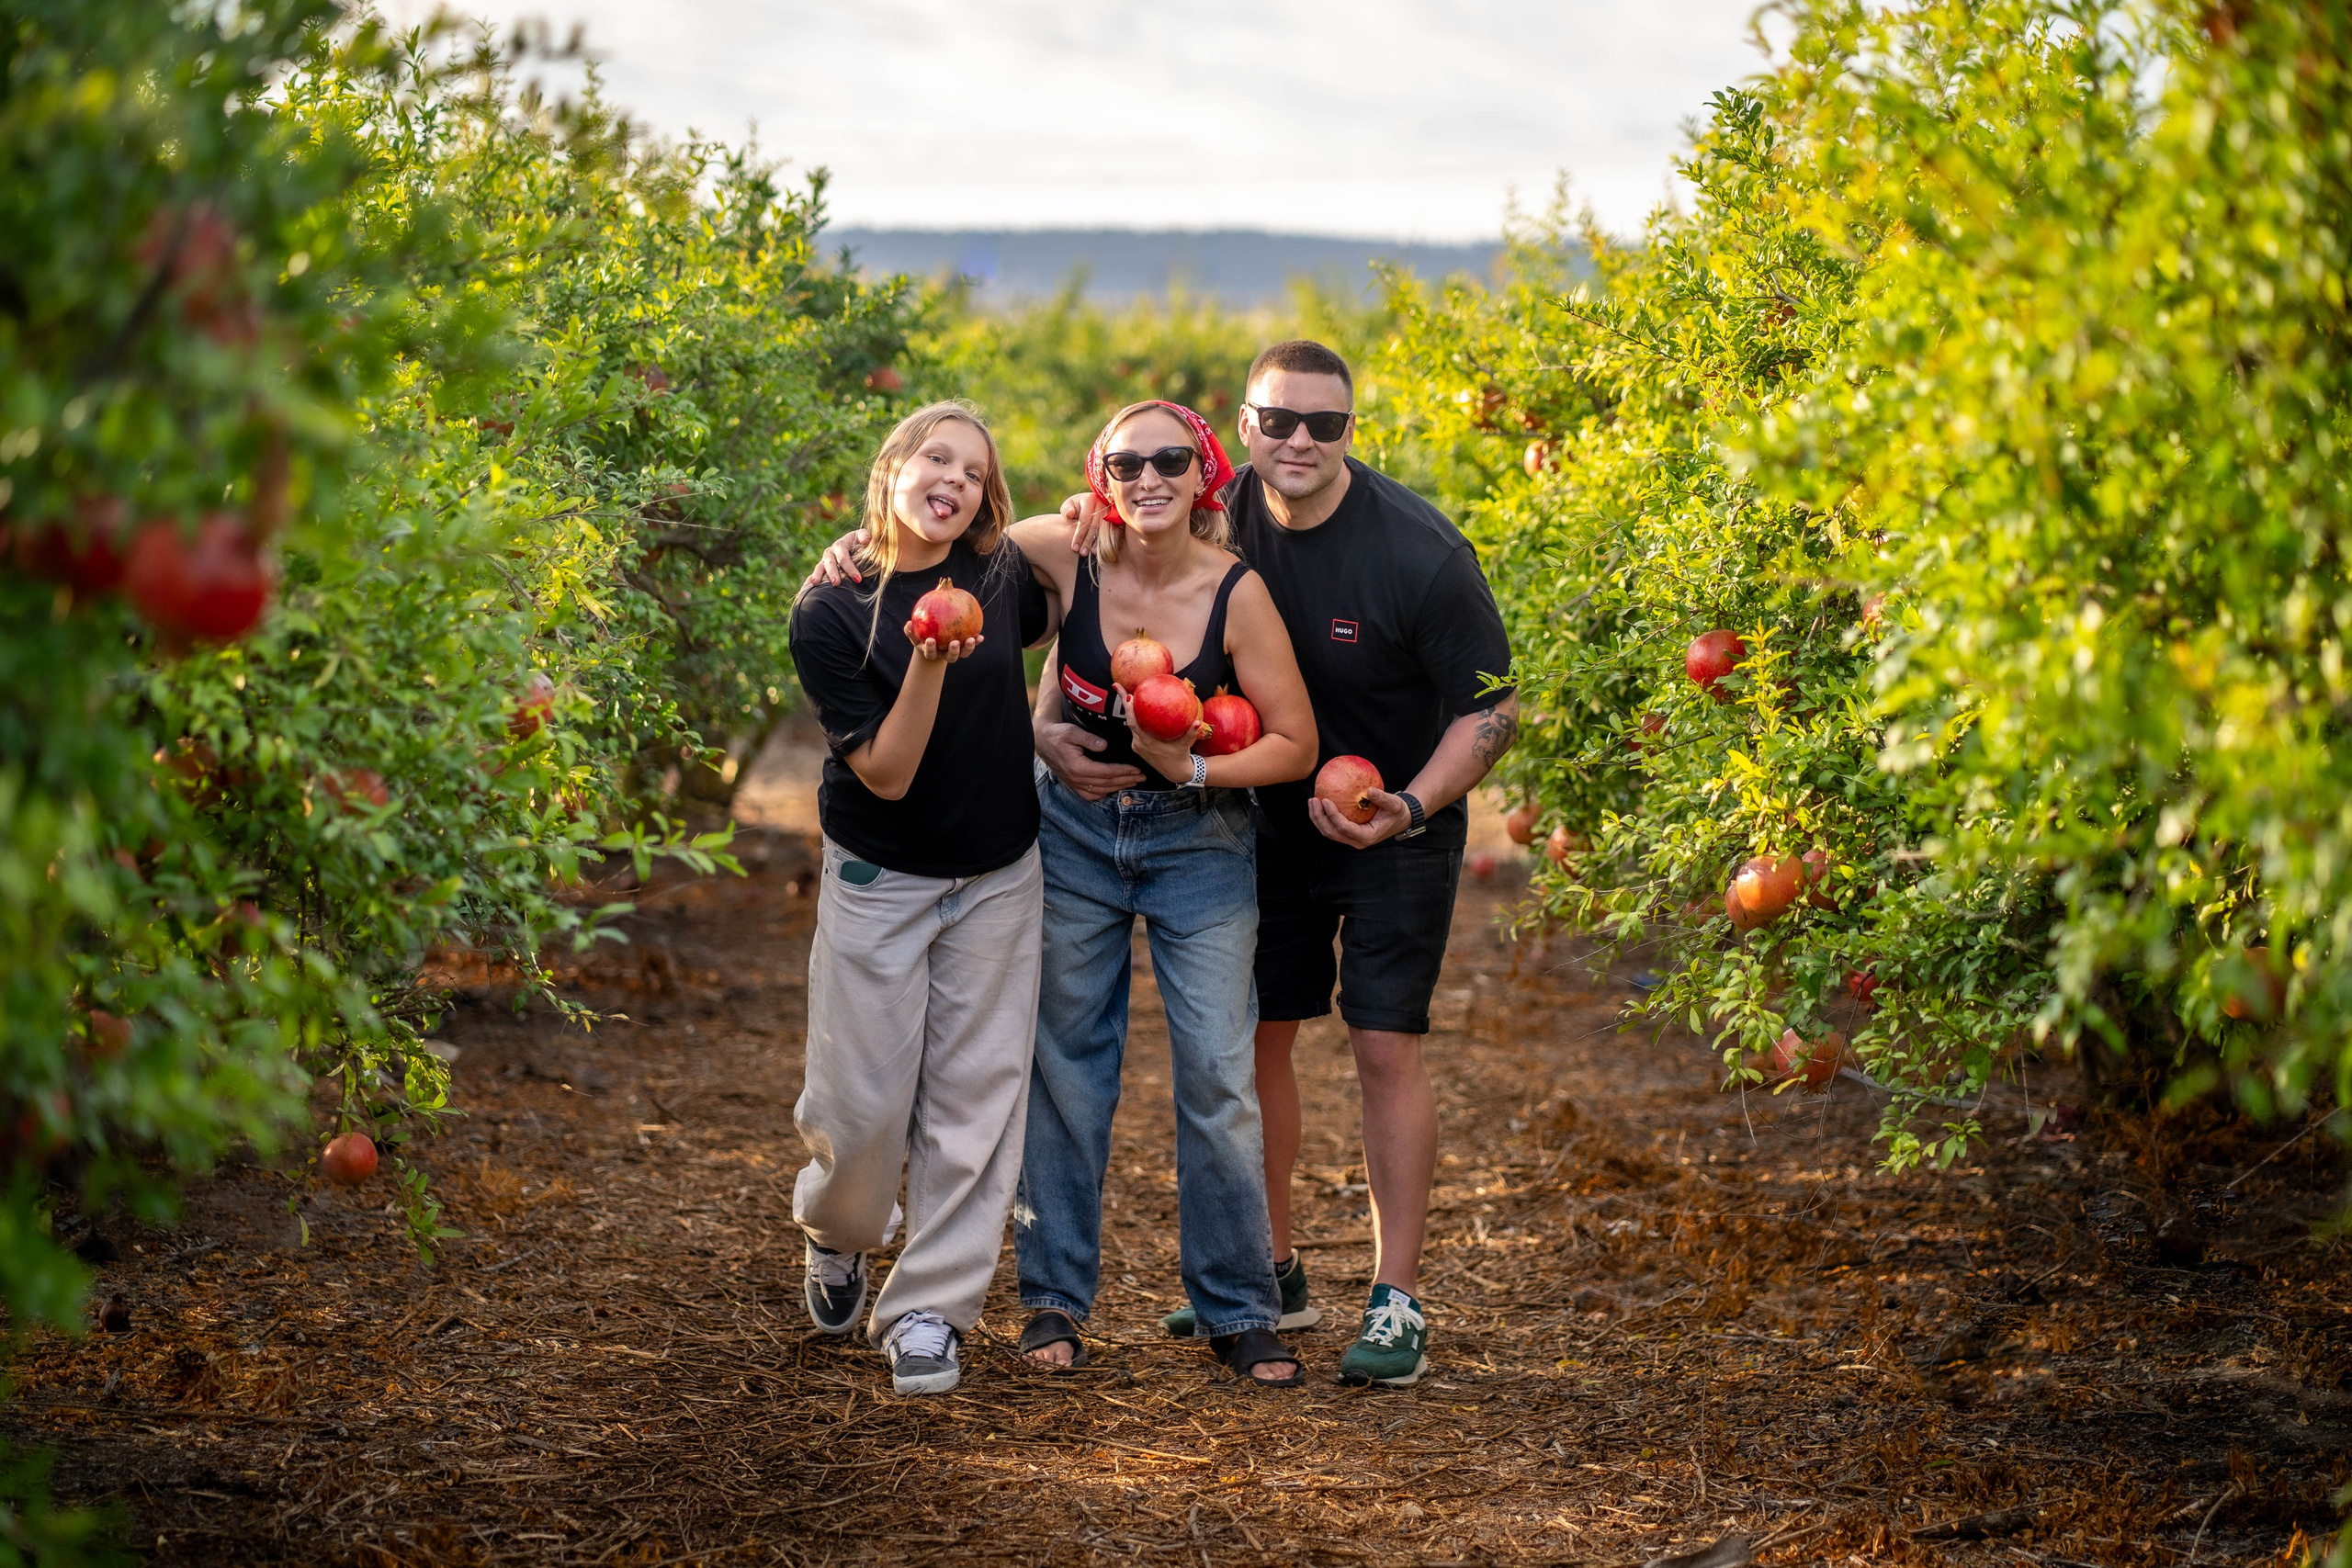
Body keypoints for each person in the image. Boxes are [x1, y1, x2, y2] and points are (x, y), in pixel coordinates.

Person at [1045, 342, 1519, 1387]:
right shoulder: (1215, 514)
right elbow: (1092, 532)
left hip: (1394, 817)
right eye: (1280, 421)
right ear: (1243, 427)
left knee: (1383, 1045)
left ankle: (1395, 1298)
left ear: (1354, 430)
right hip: (1262, 815)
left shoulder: (1418, 552)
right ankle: (1273, 1267)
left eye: (1326, 424)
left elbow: (1494, 708)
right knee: (1259, 1038)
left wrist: (1407, 804)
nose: (1301, 441)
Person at [1000, 400, 1320, 1387]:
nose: (1148, 477)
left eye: (1169, 459)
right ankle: (1051, 1299)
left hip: (1199, 842)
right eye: (1125, 461)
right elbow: (951, 543)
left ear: (1202, 474)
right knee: (1066, 1068)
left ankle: (1237, 1309)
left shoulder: (1237, 592)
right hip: (1077, 833)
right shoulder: (1067, 552)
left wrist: (1192, 778)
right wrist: (1037, 730)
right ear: (1100, 475)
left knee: (1218, 1073)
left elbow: (1293, 743)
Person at [786, 400, 1059, 1397]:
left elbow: (1075, 538)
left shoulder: (998, 571)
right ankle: (839, 1232)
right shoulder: (829, 608)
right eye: (935, 457)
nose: (954, 479)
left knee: (976, 1101)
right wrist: (931, 664)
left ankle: (929, 1314)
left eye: (976, 471)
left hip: (997, 874)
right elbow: (888, 775)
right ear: (892, 465)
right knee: (859, 1107)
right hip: (880, 876)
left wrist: (1087, 506)